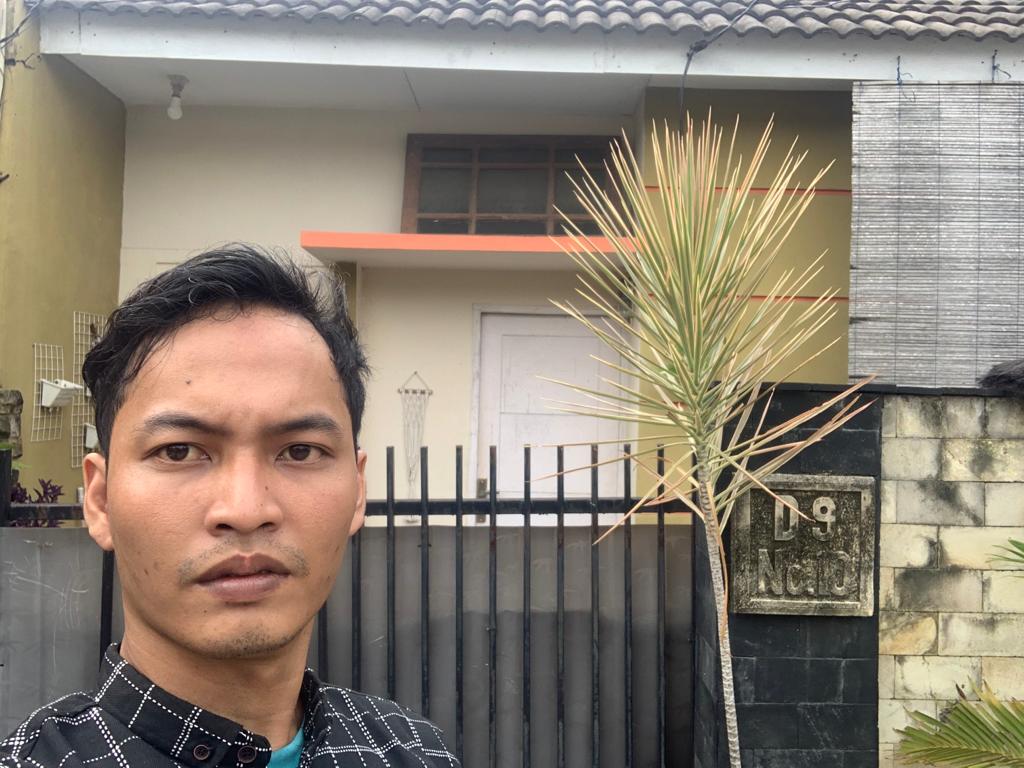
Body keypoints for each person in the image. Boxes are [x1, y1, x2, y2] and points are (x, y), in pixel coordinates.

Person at [0, 246, 459, 768]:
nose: (245, 510)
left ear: (358, 489)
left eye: (300, 451)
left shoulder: (415, 751)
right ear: (100, 501)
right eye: (179, 451)